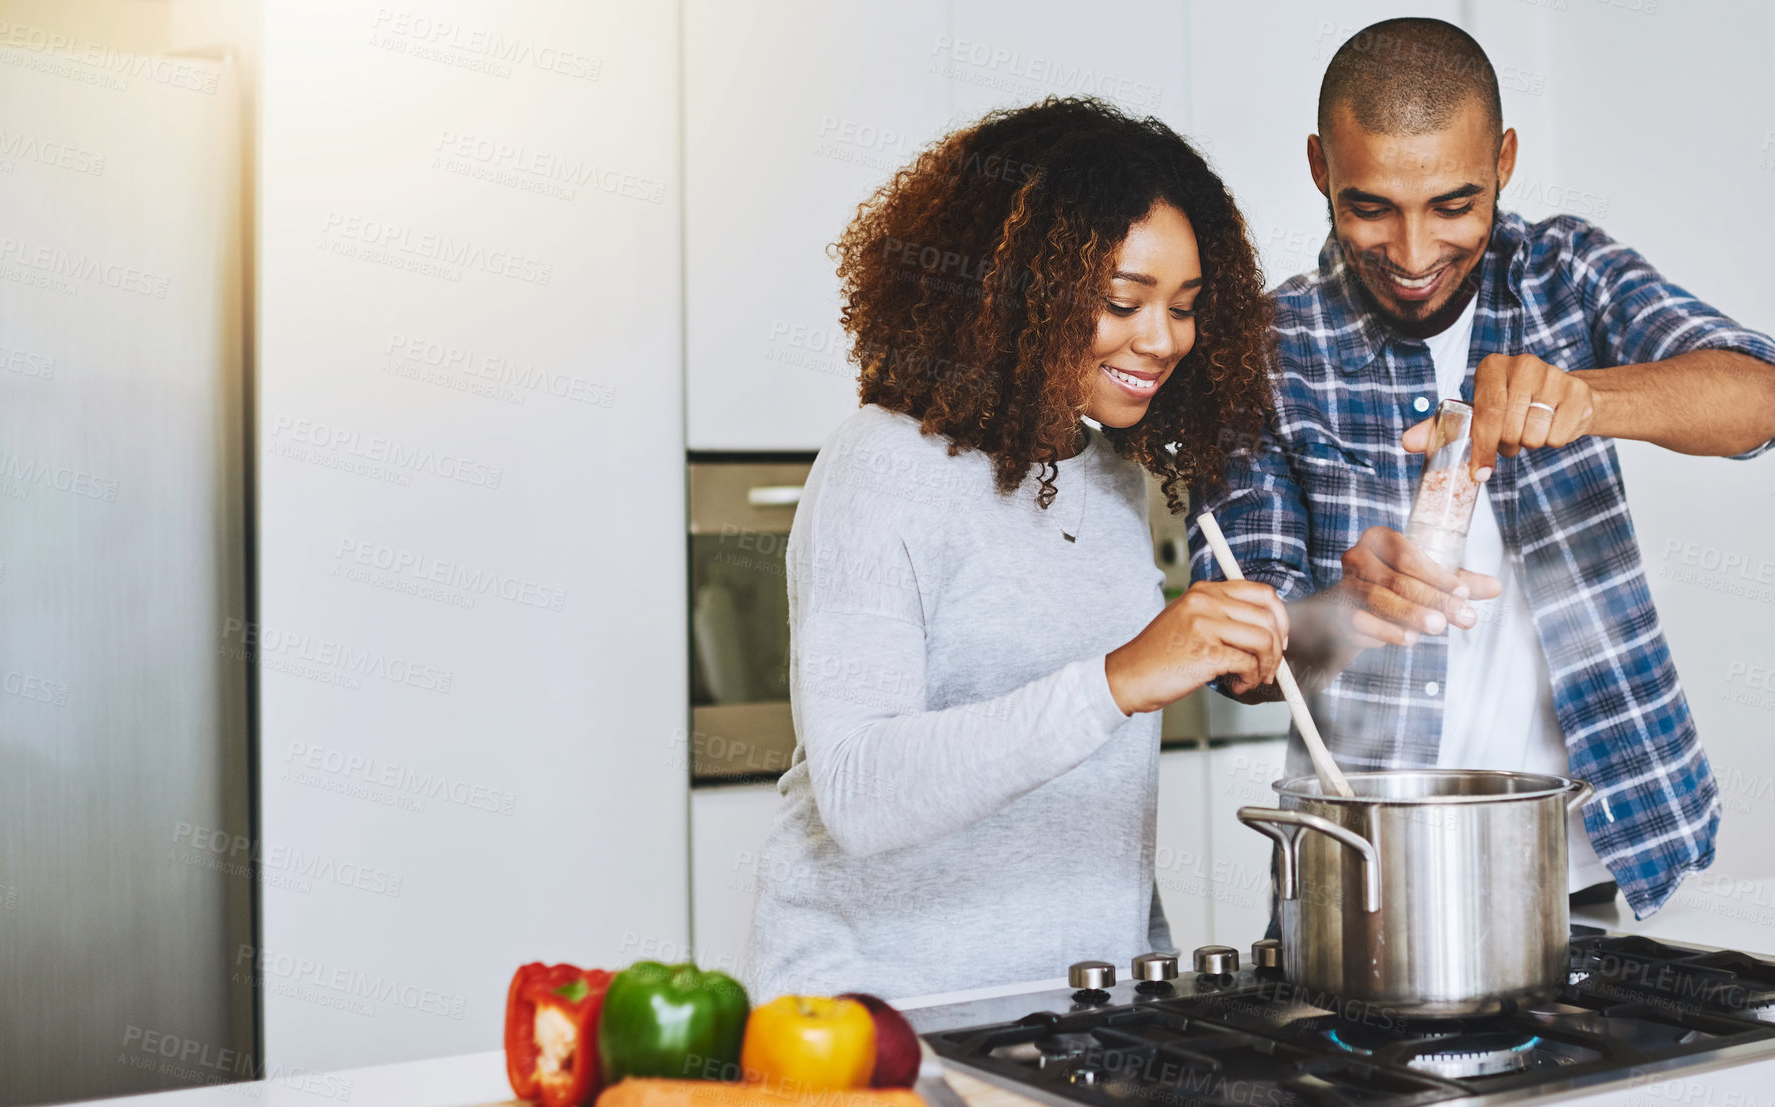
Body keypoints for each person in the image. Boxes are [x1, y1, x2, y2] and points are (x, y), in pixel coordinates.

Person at [1190, 18, 1775, 918]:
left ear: (1502, 159)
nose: (1416, 255)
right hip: (1366, 884)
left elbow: (1756, 396)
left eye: (1454, 205)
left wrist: (1586, 400)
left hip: (1597, 861)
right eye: (1370, 206)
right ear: (1320, 168)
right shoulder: (1264, 353)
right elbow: (1241, 660)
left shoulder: (1565, 274)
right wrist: (1340, 616)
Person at [746, 97, 1289, 999]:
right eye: (1123, 300)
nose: (1160, 341)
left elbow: (1101, 802)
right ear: (1015, 291)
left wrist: (1141, 977)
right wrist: (1118, 678)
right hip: (883, 1018)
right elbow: (858, 789)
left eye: (1185, 308)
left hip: (1075, 1016)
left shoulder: (1114, 475)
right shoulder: (881, 463)